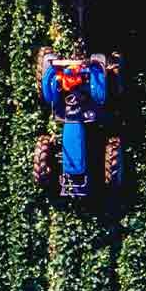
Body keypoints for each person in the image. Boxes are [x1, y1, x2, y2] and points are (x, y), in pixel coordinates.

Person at [40, 54, 108, 194]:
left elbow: (98, 95)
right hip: (71, 108)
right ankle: (72, 170)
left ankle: (80, 170)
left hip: (82, 104)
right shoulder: (60, 80)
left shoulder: (91, 86)